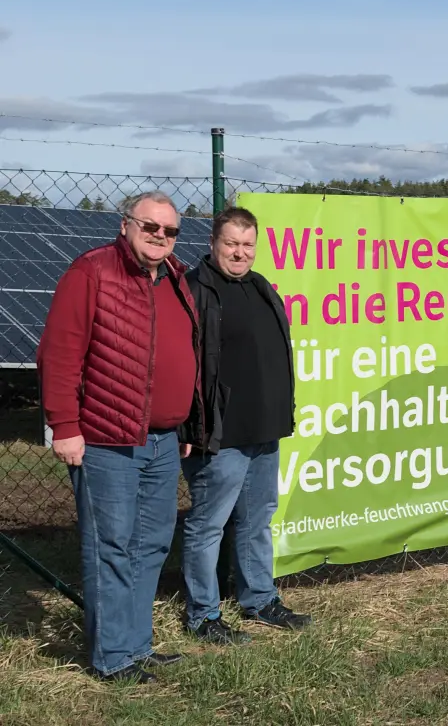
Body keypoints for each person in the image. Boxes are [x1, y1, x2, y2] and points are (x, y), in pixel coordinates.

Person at [38, 191, 200, 682]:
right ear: (126, 224)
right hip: (107, 438)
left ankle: (136, 644)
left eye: (170, 231)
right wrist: (64, 426)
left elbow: (184, 355)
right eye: (150, 227)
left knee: (151, 545)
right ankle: (113, 658)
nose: (160, 237)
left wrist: (186, 421)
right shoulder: (92, 272)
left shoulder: (175, 277)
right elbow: (60, 353)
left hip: (163, 440)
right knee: (111, 545)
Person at [179, 207, 310, 644]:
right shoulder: (195, 289)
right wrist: (192, 426)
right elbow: (184, 365)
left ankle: (260, 599)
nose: (239, 252)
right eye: (231, 243)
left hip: (263, 430)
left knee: (258, 520)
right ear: (214, 243)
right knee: (209, 524)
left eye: (247, 244)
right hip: (220, 435)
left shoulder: (260, 286)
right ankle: (203, 615)